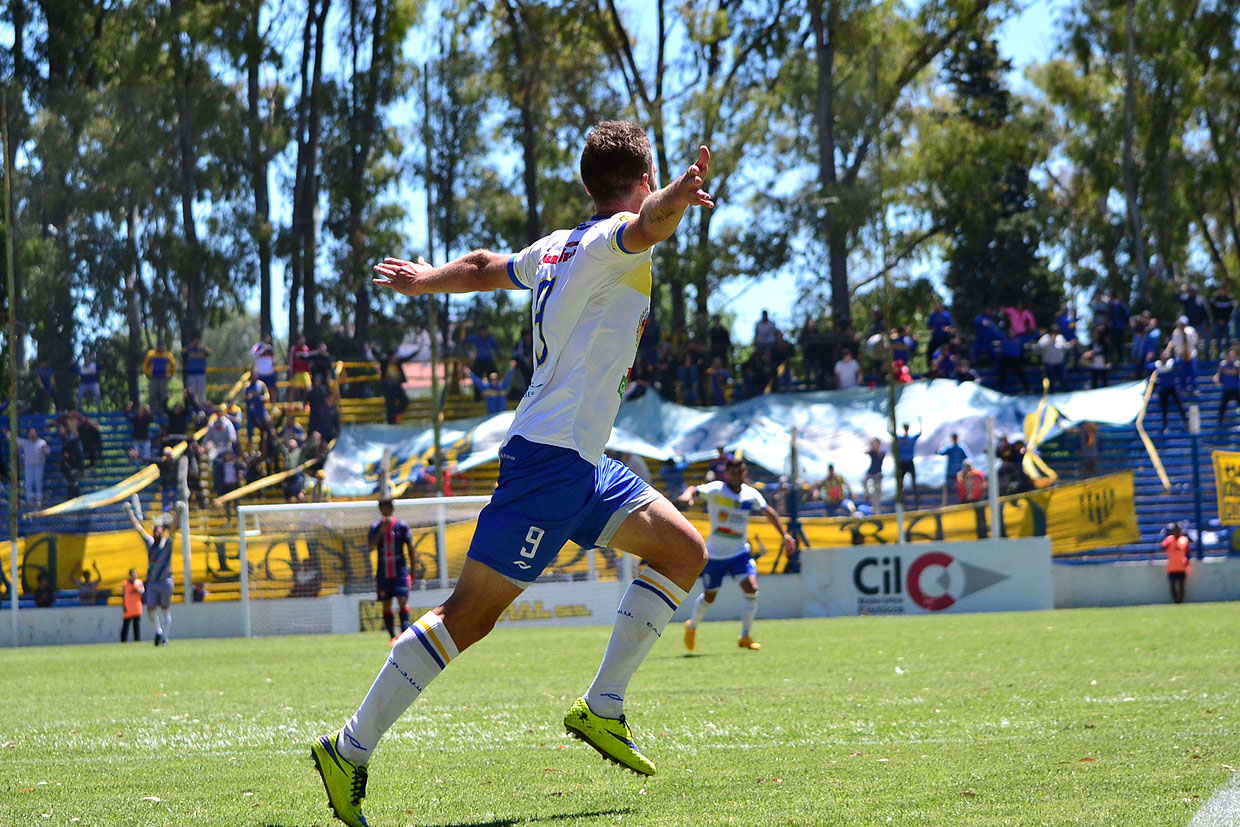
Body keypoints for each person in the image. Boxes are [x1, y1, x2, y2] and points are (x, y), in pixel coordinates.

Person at [310, 122, 713, 827]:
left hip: (581, 463)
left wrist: (420, 281)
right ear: (642, 179)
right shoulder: (609, 236)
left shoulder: (557, 246)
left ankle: (603, 706)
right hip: (550, 463)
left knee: (683, 551)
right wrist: (675, 200)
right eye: (655, 187)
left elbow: (481, 267)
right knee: (468, 616)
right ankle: (349, 748)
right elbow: (646, 226)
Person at [677, 458, 794, 652]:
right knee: (709, 597)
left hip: (740, 553)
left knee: (751, 588)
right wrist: (686, 496)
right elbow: (694, 489)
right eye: (734, 473)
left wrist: (785, 535)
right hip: (715, 555)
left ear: (745, 473)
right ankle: (691, 626)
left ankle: (745, 637)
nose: (737, 476)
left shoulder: (750, 494)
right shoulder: (716, 489)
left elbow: (768, 511)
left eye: (741, 472)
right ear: (727, 474)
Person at [124, 501, 175, 646]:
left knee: (165, 610)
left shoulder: (167, 544)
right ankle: (158, 631)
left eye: (159, 531)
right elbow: (138, 528)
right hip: (152, 582)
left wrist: (179, 513)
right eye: (155, 531)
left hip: (165, 581)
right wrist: (129, 513)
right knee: (150, 610)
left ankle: (165, 638)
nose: (156, 533)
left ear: (163, 532)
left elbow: (174, 529)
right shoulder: (150, 543)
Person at [369, 498, 414, 643]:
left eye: (388, 508)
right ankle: (392, 637)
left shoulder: (402, 526)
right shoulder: (375, 527)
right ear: (380, 510)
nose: (386, 511)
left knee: (402, 600)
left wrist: (413, 568)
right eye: (383, 508)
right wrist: (381, 531)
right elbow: (370, 546)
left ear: (392, 509)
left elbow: (411, 547)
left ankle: (404, 634)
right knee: (386, 603)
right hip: (383, 571)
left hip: (400, 569)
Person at [17, 427, 50, 509]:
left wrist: (45, 448)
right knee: (28, 484)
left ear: (36, 434)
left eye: (33, 433)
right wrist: (7, 433)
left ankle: (39, 501)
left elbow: (48, 452)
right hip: (28, 467)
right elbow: (15, 440)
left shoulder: (42, 442)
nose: (32, 434)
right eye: (31, 433)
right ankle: (29, 502)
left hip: (39, 466)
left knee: (38, 484)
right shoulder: (25, 443)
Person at [142, 338, 177, 410]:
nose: (160, 347)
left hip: (164, 378)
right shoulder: (151, 354)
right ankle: (152, 412)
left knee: (163, 395)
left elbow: (173, 365)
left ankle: (164, 411)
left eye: (162, 345)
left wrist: (171, 374)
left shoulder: (168, 355)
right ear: (157, 346)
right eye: (159, 345)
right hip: (154, 377)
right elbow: (145, 365)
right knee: (152, 395)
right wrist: (147, 374)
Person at [894, 420, 922, 508]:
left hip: (909, 462)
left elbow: (919, 433)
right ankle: (901, 500)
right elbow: (891, 433)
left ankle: (916, 500)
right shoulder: (900, 438)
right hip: (902, 463)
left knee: (913, 481)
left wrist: (920, 422)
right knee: (900, 482)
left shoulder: (911, 438)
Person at [1161, 522, 1190, 604]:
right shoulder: (1169, 539)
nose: (1177, 532)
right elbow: (1163, 546)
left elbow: (1188, 552)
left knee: (1181, 584)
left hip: (1181, 565)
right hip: (1172, 566)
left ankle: (1180, 601)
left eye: (1178, 530)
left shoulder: (1184, 540)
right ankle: (1175, 601)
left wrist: (1188, 560)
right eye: (1175, 530)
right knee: (1172, 585)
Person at [937, 433, 968, 505]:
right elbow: (942, 452)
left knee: (959, 489)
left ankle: (960, 503)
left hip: (958, 473)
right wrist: (938, 451)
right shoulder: (950, 448)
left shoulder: (961, 448)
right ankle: (946, 504)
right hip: (950, 472)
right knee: (948, 489)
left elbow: (966, 458)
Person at [182, 337, 212, 408]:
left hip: (201, 374)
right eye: (195, 340)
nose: (196, 342)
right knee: (192, 393)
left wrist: (202, 348)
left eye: (197, 340)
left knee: (201, 392)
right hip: (191, 374)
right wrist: (189, 347)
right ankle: (193, 408)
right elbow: (182, 353)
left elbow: (210, 352)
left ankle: (202, 408)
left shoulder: (203, 349)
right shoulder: (188, 349)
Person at [1215, 348, 1240, 428]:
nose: (1231, 357)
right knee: (1223, 406)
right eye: (1230, 355)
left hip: (1235, 389)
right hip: (1226, 389)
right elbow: (1218, 375)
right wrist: (1216, 379)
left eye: (1232, 355)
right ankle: (1220, 421)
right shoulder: (1223, 365)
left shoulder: (1237, 365)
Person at [121, 567, 144, 642]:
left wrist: (136, 588)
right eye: (132, 574)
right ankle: (123, 641)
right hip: (128, 607)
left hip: (136, 607)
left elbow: (142, 592)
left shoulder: (139, 582)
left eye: (135, 574)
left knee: (136, 625)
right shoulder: (125, 583)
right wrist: (124, 605)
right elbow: (124, 595)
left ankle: (137, 640)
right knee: (126, 626)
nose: (133, 575)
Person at [863, 437, 885, 514]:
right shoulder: (872, 452)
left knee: (877, 493)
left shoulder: (882, 451)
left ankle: (876, 509)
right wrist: (872, 447)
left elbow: (881, 453)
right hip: (871, 472)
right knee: (864, 481)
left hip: (878, 474)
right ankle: (867, 494)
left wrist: (876, 449)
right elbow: (866, 452)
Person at [288, 335, 312, 402]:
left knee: (308, 388)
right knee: (293, 388)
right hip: (297, 372)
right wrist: (291, 372)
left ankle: (305, 403)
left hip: (305, 372)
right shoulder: (294, 349)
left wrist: (309, 372)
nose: (302, 341)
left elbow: (308, 362)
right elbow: (291, 361)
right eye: (301, 339)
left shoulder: (306, 349)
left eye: (303, 339)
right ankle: (291, 404)